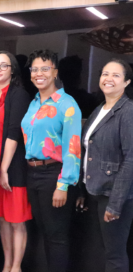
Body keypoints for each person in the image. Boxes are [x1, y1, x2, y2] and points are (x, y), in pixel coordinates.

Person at [21, 49, 82, 272]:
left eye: (45, 69)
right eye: (35, 69)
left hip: (54, 175)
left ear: (55, 72)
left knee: (57, 236)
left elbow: (72, 148)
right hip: (33, 173)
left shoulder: (67, 104)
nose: (39, 73)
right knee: (45, 233)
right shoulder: (34, 102)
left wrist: (63, 184)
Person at [0, 51, 32, 272]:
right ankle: (7, 265)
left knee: (16, 219)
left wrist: (3, 169)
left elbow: (13, 133)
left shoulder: (19, 94)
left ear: (13, 70)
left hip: (11, 166)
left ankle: (16, 267)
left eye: (4, 65)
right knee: (1, 219)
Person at [79, 59, 133, 272]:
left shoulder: (127, 111)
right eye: (105, 74)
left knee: (114, 255)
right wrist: (83, 189)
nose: (108, 79)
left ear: (127, 82)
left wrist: (115, 204)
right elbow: (90, 152)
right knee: (101, 251)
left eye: (116, 75)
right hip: (96, 190)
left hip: (114, 195)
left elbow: (130, 159)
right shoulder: (99, 109)